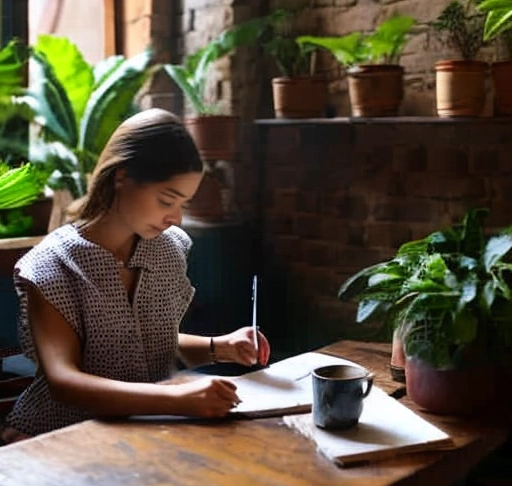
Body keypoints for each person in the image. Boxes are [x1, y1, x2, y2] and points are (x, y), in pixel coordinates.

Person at [0, 108, 270, 444]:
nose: (176, 218)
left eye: (183, 203)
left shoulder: (168, 249)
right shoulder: (52, 266)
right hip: (58, 438)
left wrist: (222, 347)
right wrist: (180, 400)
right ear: (121, 177)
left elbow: (144, 343)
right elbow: (64, 381)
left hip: (147, 430)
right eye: (166, 200)